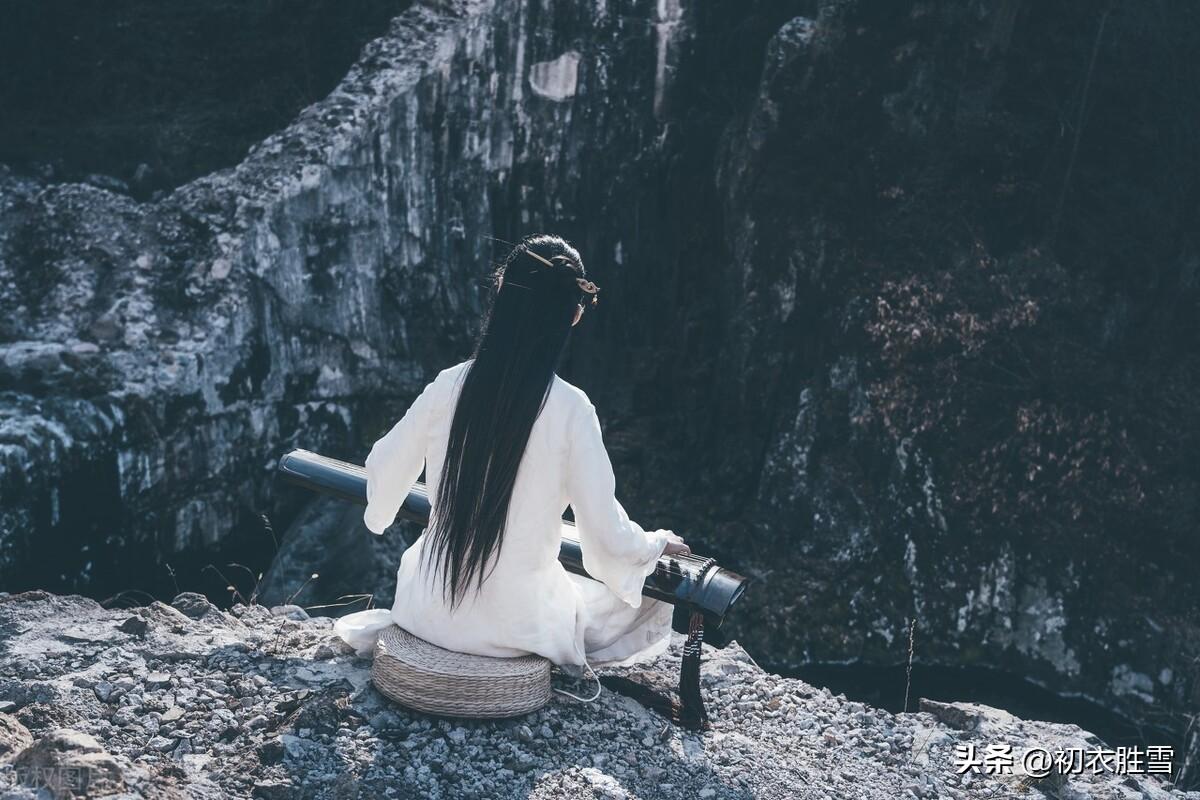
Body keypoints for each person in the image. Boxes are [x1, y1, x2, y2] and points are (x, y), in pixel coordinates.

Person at [332, 234, 690, 701]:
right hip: (518, 626)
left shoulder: (449, 384)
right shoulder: (571, 409)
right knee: (612, 603)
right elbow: (605, 536)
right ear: (574, 314)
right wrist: (656, 544)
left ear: (501, 293)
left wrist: (381, 510)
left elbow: (383, 462)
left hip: (424, 609)